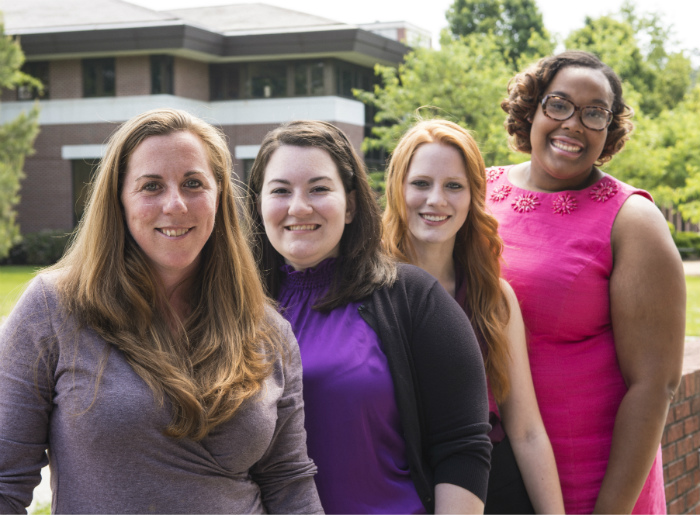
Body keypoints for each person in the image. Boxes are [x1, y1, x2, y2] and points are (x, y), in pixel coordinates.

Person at [0, 108, 323, 514]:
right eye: (151, 186)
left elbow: (288, 481)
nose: (175, 204)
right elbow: (4, 481)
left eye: (193, 183)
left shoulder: (268, 330)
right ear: (119, 199)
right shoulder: (54, 308)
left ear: (219, 196)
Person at [246, 120, 492, 514]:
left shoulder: (413, 298)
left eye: (319, 189)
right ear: (258, 205)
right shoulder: (229, 312)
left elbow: (462, 445)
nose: (299, 207)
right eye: (280, 191)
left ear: (352, 205)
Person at [484, 50, 685, 514]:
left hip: (588, 480)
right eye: (558, 105)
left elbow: (655, 385)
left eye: (595, 113)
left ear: (609, 129)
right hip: (492, 472)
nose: (573, 123)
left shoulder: (632, 220)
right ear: (531, 109)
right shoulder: (477, 190)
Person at [382, 118, 565, 514]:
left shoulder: (494, 298)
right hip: (397, 489)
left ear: (472, 197)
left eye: (453, 186)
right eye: (420, 184)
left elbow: (527, 430)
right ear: (397, 189)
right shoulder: (366, 292)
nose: (436, 200)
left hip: (495, 489)